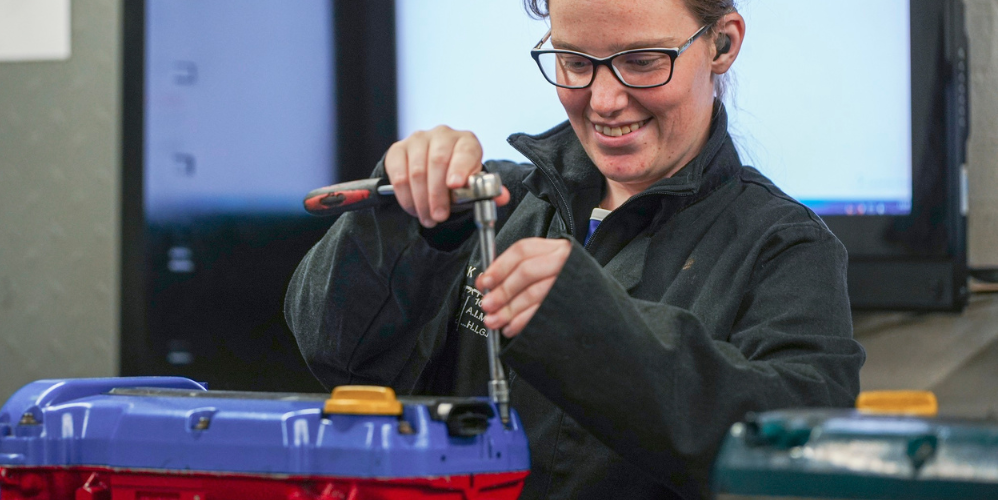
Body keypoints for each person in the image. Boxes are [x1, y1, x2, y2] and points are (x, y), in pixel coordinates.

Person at [285, 0, 865, 498]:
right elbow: (333, 353)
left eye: (642, 62)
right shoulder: (493, 207)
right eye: (575, 62)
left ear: (721, 44)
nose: (606, 101)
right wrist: (405, 222)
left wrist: (589, 325)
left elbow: (801, 456)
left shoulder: (785, 249)